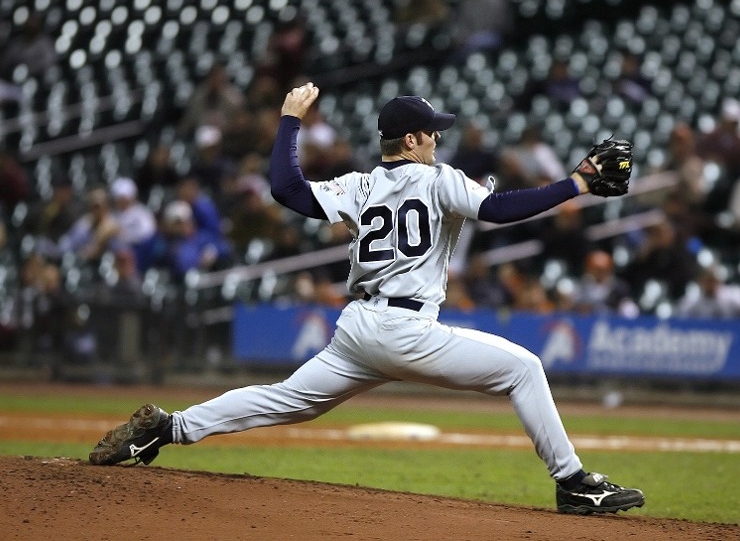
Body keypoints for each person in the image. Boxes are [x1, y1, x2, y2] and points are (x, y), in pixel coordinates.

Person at [89, 82, 644, 516]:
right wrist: (578, 184)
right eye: (430, 134)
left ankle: (170, 428)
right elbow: (498, 212)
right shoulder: (437, 179)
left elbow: (285, 188)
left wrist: (289, 120)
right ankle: (574, 484)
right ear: (410, 141)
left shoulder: (358, 185)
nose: (436, 140)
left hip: (358, 330)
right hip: (407, 330)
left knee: (286, 399)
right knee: (524, 368)